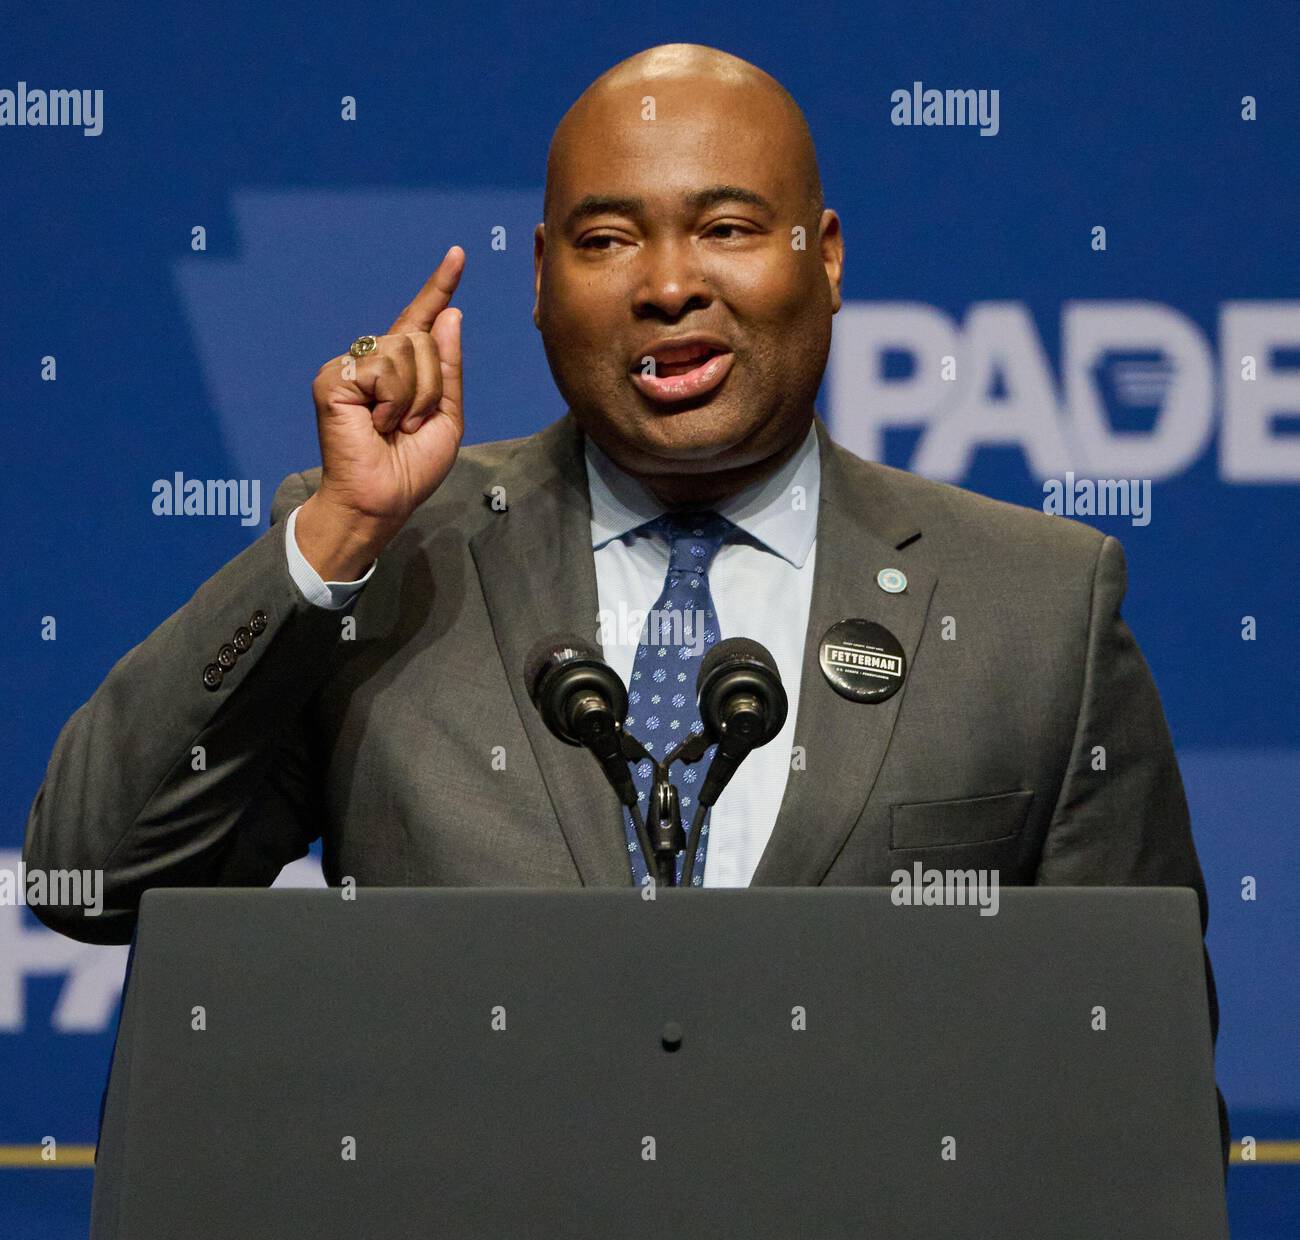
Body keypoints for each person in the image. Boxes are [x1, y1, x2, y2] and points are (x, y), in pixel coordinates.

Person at [24, 43, 1225, 1156]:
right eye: (605, 240)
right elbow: (92, 874)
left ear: (827, 256)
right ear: (540, 281)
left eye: (727, 227)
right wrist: (336, 533)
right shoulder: (393, 559)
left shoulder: (1034, 605)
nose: (666, 285)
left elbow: (1137, 1080)